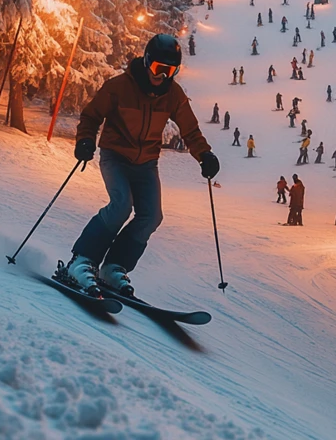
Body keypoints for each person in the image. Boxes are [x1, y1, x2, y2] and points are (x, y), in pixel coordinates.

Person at [64, 34, 220, 296]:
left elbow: (190, 130)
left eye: (171, 71)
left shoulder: (173, 95)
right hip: (115, 155)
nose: (163, 77)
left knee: (151, 216)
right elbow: (91, 115)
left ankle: (113, 267)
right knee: (121, 205)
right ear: (148, 62)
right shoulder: (119, 87)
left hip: (147, 162)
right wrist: (85, 141)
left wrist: (205, 155)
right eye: (160, 69)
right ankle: (81, 261)